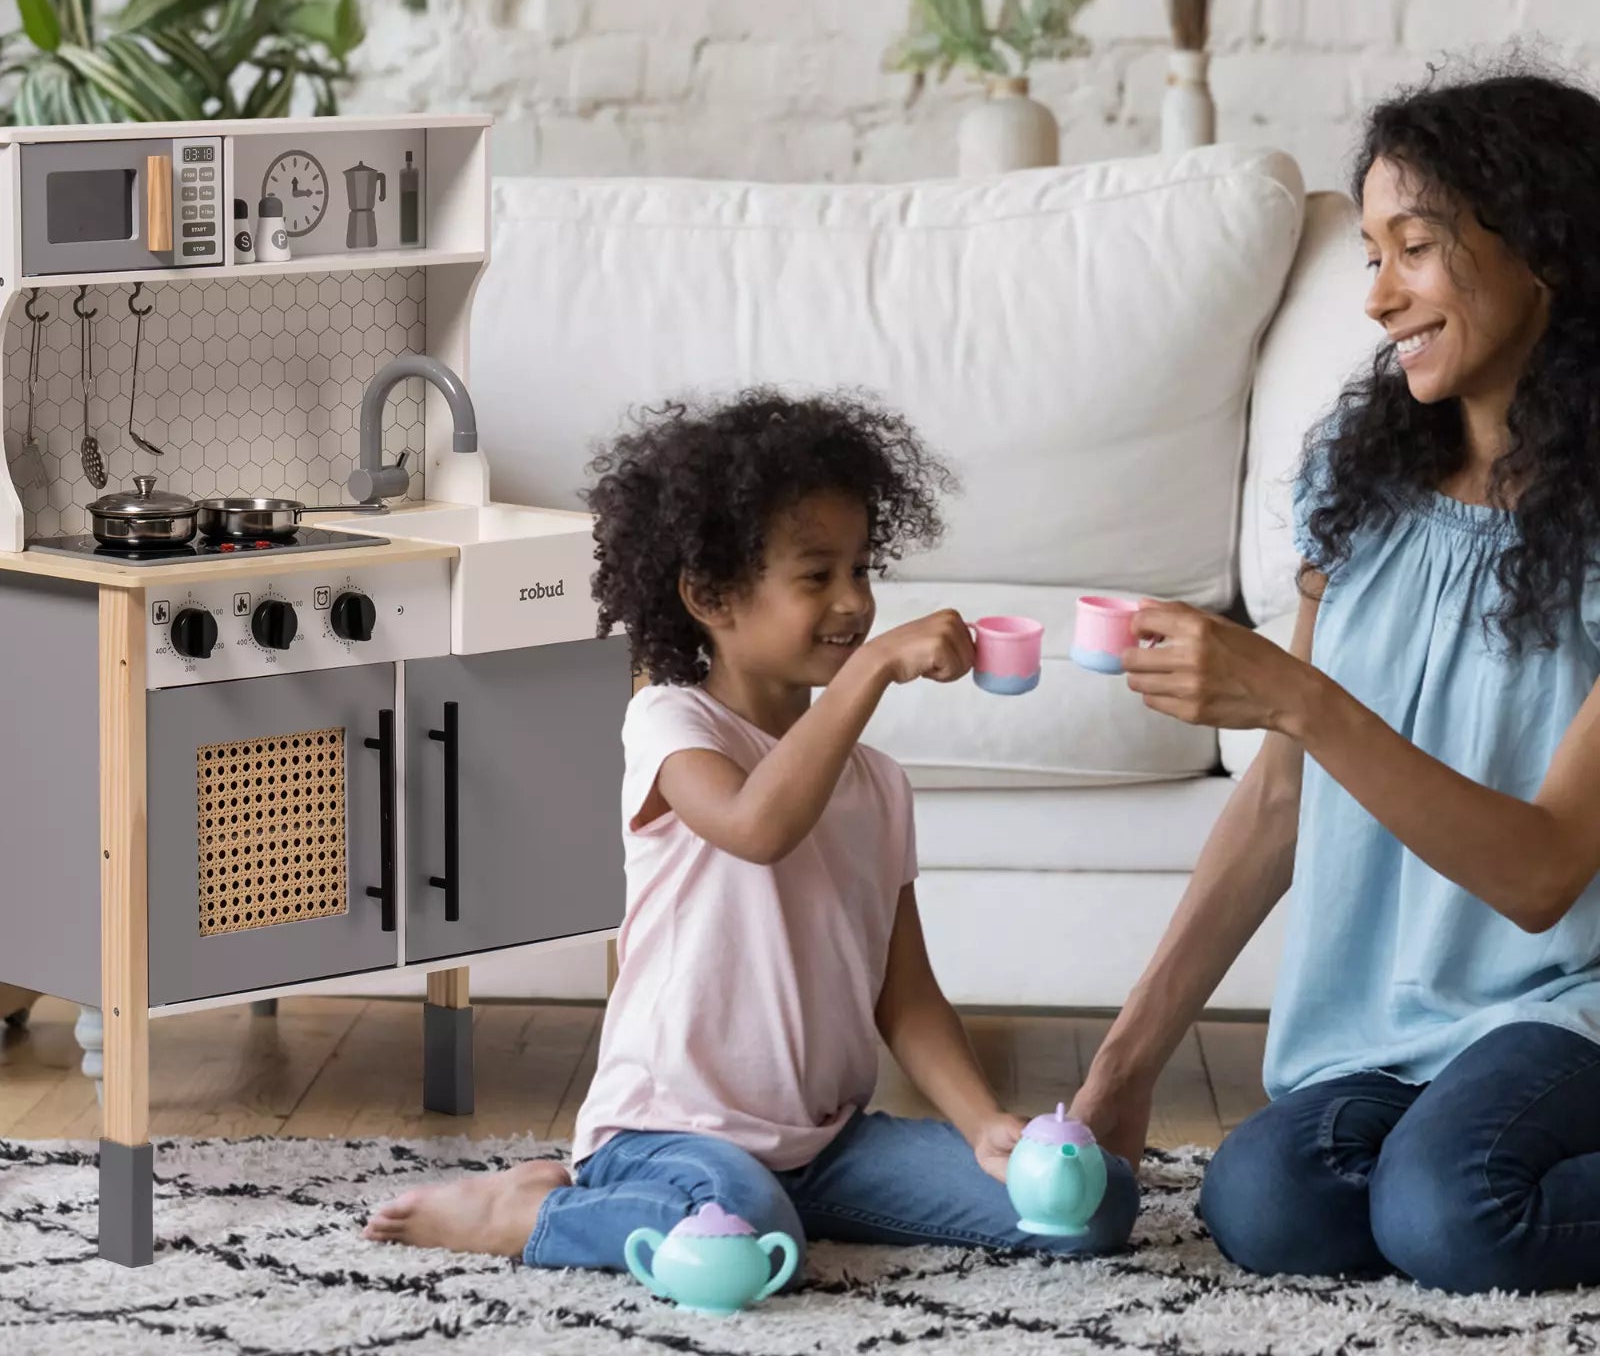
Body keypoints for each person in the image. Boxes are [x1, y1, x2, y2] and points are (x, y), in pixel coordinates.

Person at [366, 388, 1138, 1269]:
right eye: (818, 576)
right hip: (668, 1132)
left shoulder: (877, 784)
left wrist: (983, 1127)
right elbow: (756, 824)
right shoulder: (671, 724)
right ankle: (522, 1211)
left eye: (860, 570)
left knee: (1087, 1207)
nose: (853, 603)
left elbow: (907, 994)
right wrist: (878, 667)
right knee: (744, 1240)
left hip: (829, 1145)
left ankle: (755, 1209)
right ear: (710, 596)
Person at [1070, 66, 1600, 1294]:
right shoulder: (1358, 495)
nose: (1376, 296)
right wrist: (1127, 1062)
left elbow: (1541, 873)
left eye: (1412, 249)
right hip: (1386, 1031)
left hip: (1566, 1003)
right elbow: (1275, 803)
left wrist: (1293, 697)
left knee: (1450, 1211)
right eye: (1368, 253)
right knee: (1261, 1200)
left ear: (1544, 250)